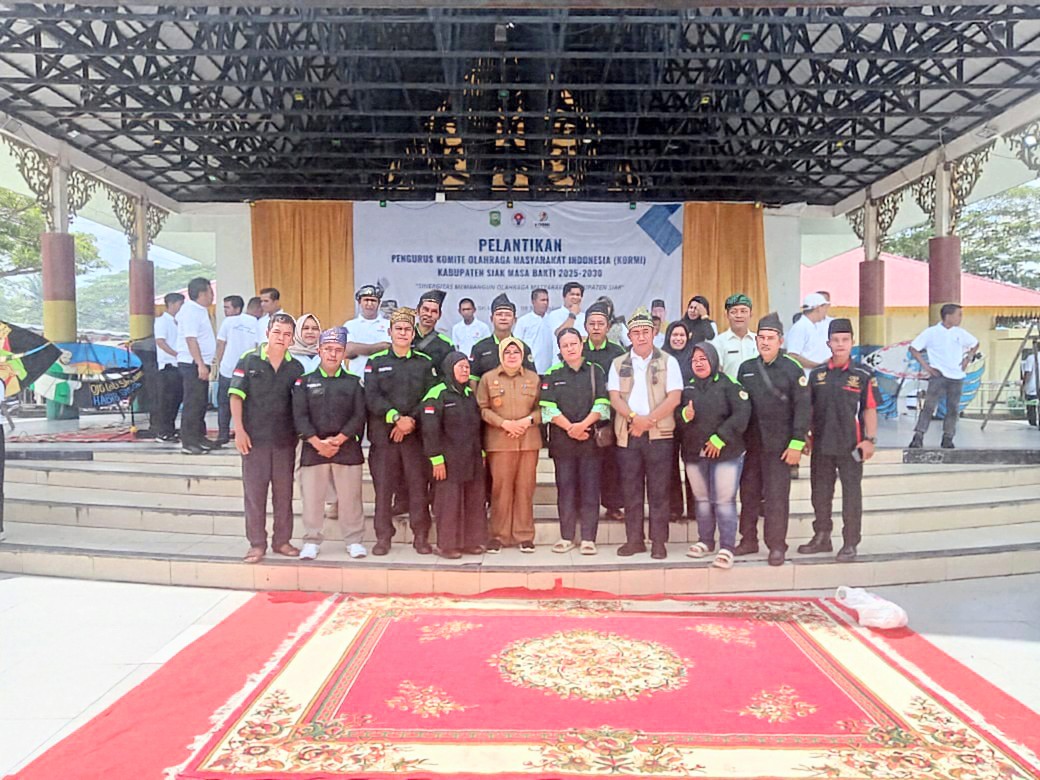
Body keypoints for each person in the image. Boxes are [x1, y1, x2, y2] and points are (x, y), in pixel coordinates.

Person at [798, 318, 880, 562]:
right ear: (828, 343)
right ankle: (822, 537)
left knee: (851, 496)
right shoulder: (817, 375)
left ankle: (850, 542)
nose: (840, 344)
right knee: (820, 494)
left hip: (851, 446)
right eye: (835, 340)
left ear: (852, 342)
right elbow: (808, 408)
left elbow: (870, 408)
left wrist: (870, 440)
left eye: (845, 340)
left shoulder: (863, 375)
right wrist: (805, 435)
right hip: (822, 444)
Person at [733, 313, 811, 566]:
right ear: (756, 340)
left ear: (780, 341)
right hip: (752, 446)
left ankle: (777, 545)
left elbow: (803, 408)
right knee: (748, 494)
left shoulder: (792, 369)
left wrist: (797, 443)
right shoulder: (746, 369)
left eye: (770, 338)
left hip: (781, 447)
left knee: (777, 498)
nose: (765, 342)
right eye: (761, 338)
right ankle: (748, 540)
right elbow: (740, 407)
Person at [229, 312, 305, 563]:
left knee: (284, 495)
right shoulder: (249, 360)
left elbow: (299, 406)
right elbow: (235, 396)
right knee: (255, 495)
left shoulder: (296, 367)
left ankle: (282, 540)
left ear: (292, 339)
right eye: (277, 332)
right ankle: (257, 544)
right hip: (254, 440)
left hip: (284, 441)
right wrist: (239, 430)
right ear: (267, 333)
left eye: (287, 334)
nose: (281, 338)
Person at [608, 307, 682, 559]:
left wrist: (647, 421)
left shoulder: (668, 361)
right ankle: (634, 541)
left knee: (659, 491)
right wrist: (634, 419)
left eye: (645, 332)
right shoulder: (618, 363)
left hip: (659, 435)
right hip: (628, 434)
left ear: (653, 334)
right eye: (636, 333)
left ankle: (659, 542)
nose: (641, 337)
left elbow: (674, 398)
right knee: (631, 491)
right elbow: (615, 398)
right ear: (629, 336)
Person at [364, 307, 438, 555]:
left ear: (413, 333)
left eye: (408, 329)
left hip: (415, 437)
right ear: (390, 332)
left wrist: (410, 421)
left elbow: (430, 396)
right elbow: (372, 397)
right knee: (384, 490)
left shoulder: (424, 362)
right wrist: (396, 418)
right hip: (384, 437)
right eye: (399, 329)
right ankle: (383, 537)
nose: (403, 333)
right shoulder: (376, 362)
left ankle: (421, 536)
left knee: (418, 488)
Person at [292, 327, 367, 561]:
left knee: (350, 499)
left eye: (337, 350)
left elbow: (359, 416)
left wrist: (340, 439)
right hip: (313, 448)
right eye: (328, 349)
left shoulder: (354, 382)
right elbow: (299, 416)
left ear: (344, 353)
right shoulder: (304, 382)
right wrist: (317, 443)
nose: (332, 354)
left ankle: (354, 540)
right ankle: (311, 540)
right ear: (319, 351)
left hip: (347, 447)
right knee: (312, 499)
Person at [677, 342, 751, 570]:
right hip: (694, 454)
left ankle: (727, 547)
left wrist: (720, 438)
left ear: (713, 360)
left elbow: (742, 413)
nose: (699, 364)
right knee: (701, 500)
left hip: (726, 453)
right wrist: (684, 414)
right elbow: (677, 418)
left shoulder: (729, 385)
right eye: (694, 360)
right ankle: (705, 541)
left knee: (724, 500)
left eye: (703, 359)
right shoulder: (687, 387)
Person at [541, 328, 610, 555]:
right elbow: (548, 408)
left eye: (573, 344)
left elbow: (603, 404)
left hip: (590, 441)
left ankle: (589, 538)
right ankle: (566, 536)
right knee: (566, 489)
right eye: (565, 345)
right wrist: (571, 428)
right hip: (563, 443)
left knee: (590, 490)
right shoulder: (552, 373)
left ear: (581, 345)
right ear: (560, 349)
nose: (570, 348)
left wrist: (582, 426)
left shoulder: (595, 371)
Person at [477, 337, 542, 553]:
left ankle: (524, 535)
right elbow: (482, 408)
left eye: (516, 352)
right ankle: (498, 535)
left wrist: (527, 421)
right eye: (507, 352)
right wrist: (504, 423)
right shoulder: (488, 378)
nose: (512, 356)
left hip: (528, 440)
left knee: (525, 488)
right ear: (500, 355)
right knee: (501, 489)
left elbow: (543, 408)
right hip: (500, 441)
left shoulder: (533, 378)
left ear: (523, 356)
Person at [422, 351, 488, 558]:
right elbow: (429, 429)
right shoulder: (437, 393)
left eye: (467, 367)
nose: (465, 370)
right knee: (449, 504)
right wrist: (436, 459)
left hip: (471, 458)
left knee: (473, 501)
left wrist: (482, 452)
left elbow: (477, 427)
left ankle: (471, 542)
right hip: (447, 460)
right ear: (449, 368)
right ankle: (447, 545)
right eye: (460, 366)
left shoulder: (469, 394)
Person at [908, 303, 979, 449]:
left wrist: (968, 358)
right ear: (948, 316)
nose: (960, 318)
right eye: (958, 315)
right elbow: (914, 349)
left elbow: (975, 343)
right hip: (938, 374)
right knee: (929, 406)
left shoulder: (960, 333)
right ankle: (919, 435)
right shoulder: (931, 332)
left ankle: (948, 437)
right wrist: (927, 367)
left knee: (953, 408)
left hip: (957, 375)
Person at [583, 300, 627, 522]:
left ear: (608, 327)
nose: (596, 328)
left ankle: (613, 505)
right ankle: (585, 507)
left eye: (601, 324)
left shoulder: (618, 353)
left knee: (612, 464)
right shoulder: (578, 350)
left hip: (611, 416)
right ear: (585, 326)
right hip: (583, 416)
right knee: (587, 466)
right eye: (592, 324)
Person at [175, 278, 218, 455]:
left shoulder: (199, 310)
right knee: (193, 403)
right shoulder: (191, 311)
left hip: (200, 362)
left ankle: (200, 436)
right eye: (210, 292)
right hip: (192, 363)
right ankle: (189, 442)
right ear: (201, 293)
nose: (212, 296)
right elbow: (191, 339)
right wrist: (200, 364)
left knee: (201, 402)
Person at [213, 295, 259, 445]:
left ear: (238, 308)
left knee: (224, 404)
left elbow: (220, 344)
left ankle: (223, 434)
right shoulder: (256, 323)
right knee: (247, 404)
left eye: (227, 307)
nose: (225, 311)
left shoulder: (228, 322)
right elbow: (258, 346)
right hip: (247, 370)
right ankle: (245, 433)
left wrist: (219, 363)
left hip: (227, 369)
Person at [662, 320, 694, 522]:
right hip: (667, 418)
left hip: (691, 419)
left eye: (682, 335)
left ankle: (695, 508)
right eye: (674, 335)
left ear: (688, 337)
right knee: (670, 465)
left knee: (692, 463)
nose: (678, 338)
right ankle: (674, 508)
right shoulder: (660, 357)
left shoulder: (695, 356)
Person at [469, 294, 536, 383]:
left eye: (508, 315)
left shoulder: (523, 348)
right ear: (491, 318)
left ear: (515, 320)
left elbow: (532, 378)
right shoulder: (480, 348)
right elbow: (473, 380)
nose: (503, 318)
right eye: (499, 314)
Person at [154, 292, 184, 442]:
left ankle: (171, 429)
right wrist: (175, 354)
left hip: (179, 365)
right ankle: (163, 431)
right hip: (168, 365)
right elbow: (160, 342)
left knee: (176, 400)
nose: (181, 307)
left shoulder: (179, 322)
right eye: (180, 304)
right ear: (171, 304)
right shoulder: (162, 321)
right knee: (167, 401)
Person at [344, 284, 391, 378]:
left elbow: (389, 347)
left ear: (379, 303)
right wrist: (379, 347)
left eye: (373, 300)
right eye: (366, 300)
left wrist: (358, 348)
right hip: (357, 378)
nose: (369, 304)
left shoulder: (389, 324)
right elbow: (349, 350)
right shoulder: (349, 325)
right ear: (359, 302)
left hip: (383, 378)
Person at [711, 293, 758, 380]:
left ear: (751, 314)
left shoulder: (759, 340)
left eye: (743, 311)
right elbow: (716, 373)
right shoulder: (718, 343)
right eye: (733, 312)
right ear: (727, 315)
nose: (739, 316)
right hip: (729, 388)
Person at [786, 293, 832, 376]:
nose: (826, 311)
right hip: (806, 377)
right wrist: (818, 366)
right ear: (818, 308)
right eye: (824, 307)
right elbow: (792, 355)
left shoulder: (813, 325)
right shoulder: (800, 327)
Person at [413, 289, 454, 374]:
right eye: (425, 309)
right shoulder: (403, 337)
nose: (429, 314)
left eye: (434, 311)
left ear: (439, 315)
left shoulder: (446, 344)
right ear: (417, 310)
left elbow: (448, 375)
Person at [515, 288, 555, 373]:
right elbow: (517, 344)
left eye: (547, 300)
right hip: (529, 368)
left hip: (549, 369)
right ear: (533, 302)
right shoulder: (523, 321)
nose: (545, 303)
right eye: (542, 300)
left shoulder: (552, 320)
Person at [1023, 347, 1039, 428]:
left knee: (1031, 406)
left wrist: (1024, 385)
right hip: (1034, 387)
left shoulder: (1031, 358)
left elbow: (1028, 373)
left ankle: (1033, 423)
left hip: (1032, 387)